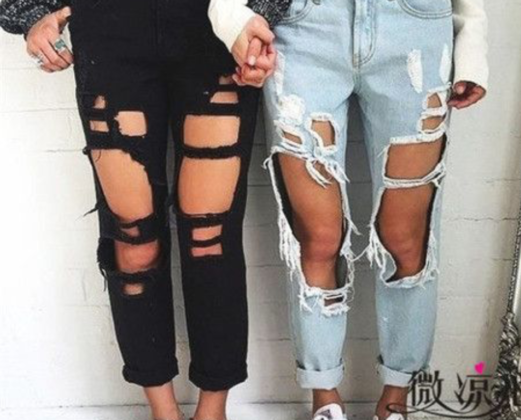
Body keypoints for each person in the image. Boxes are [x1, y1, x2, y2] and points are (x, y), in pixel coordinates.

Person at [0, 1, 281, 419]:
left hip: (217, 28)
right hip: (108, 28)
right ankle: (162, 412)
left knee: (211, 236)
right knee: (132, 237)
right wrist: (28, 13)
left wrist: (258, 13)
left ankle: (213, 411)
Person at [210, 0, 488, 419]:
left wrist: (471, 37)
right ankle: (324, 399)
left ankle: (396, 399)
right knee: (318, 236)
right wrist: (231, 17)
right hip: (305, 28)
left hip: (415, 26)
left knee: (406, 237)